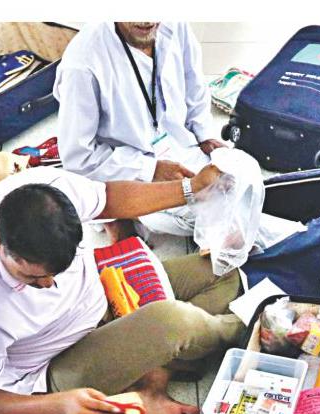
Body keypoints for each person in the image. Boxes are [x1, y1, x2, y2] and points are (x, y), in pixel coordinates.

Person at [0, 164, 245, 414]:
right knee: (174, 322)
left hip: (102, 296)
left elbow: (109, 198)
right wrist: (60, 405)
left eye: (58, 271)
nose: (48, 285)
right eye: (32, 278)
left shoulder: (47, 191)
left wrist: (191, 188)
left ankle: (152, 379)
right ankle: (249, 324)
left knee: (222, 270)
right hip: (58, 363)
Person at [54, 22, 297, 248]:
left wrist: (204, 135)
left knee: (244, 180)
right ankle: (117, 217)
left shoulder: (174, 23)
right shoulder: (82, 63)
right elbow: (79, 159)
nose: (146, 20)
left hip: (181, 147)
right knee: (212, 217)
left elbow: (195, 88)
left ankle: (299, 239)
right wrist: (151, 170)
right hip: (128, 169)